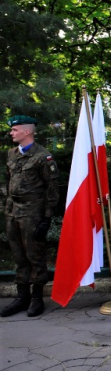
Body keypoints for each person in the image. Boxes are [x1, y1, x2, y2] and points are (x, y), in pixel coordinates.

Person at [1, 115, 59, 317]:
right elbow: (10, 184)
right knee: (18, 255)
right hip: (13, 212)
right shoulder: (12, 154)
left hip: (33, 214)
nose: (11, 133)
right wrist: (7, 210)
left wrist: (47, 217)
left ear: (27, 132)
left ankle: (36, 298)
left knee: (35, 256)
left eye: (15, 130)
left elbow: (51, 189)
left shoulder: (43, 157)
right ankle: (21, 297)